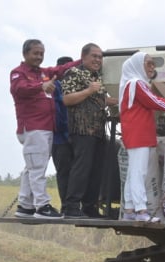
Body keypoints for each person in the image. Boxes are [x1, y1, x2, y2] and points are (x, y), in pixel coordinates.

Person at [10, 39, 80, 219]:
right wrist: (40, 86)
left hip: (46, 128)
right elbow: (19, 89)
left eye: (41, 53)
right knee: (37, 169)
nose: (39, 57)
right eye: (35, 53)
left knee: (31, 168)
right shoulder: (18, 73)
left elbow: (59, 70)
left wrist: (82, 61)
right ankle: (42, 207)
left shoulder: (43, 73)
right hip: (34, 128)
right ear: (25, 54)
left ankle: (25, 206)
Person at [119, 51, 165, 222]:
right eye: (148, 63)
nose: (152, 67)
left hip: (138, 132)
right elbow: (152, 101)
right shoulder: (136, 83)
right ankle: (141, 212)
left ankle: (129, 210)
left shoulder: (131, 83)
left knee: (134, 172)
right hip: (138, 133)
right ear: (138, 65)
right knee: (139, 173)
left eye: (153, 64)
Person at [61, 43, 118, 218]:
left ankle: (89, 207)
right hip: (82, 129)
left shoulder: (97, 77)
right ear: (83, 57)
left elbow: (99, 99)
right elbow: (67, 99)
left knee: (96, 170)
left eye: (100, 57)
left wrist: (117, 101)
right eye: (94, 56)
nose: (97, 60)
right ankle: (71, 206)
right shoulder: (74, 73)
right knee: (82, 169)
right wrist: (88, 90)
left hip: (99, 130)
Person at [52, 56, 74, 213]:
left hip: (70, 136)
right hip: (60, 137)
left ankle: (71, 205)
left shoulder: (71, 86)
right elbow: (58, 114)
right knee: (65, 171)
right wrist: (68, 132)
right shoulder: (55, 87)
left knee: (72, 172)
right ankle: (67, 206)